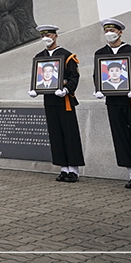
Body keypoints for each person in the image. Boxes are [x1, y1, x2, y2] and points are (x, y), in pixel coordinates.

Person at [91, 19, 131, 190]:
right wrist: (98, 89)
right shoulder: (100, 53)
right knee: (121, 137)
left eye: (112, 30)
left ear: (120, 32)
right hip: (113, 101)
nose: (109, 34)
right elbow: (97, 76)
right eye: (106, 31)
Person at [27, 25, 83, 182]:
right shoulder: (39, 57)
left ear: (56, 36)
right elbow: (39, 78)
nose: (46, 37)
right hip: (50, 100)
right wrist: (35, 90)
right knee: (56, 135)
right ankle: (63, 168)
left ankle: (74, 169)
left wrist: (67, 89)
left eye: (49, 34)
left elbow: (74, 77)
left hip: (64, 100)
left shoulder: (67, 56)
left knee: (70, 134)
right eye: (43, 35)